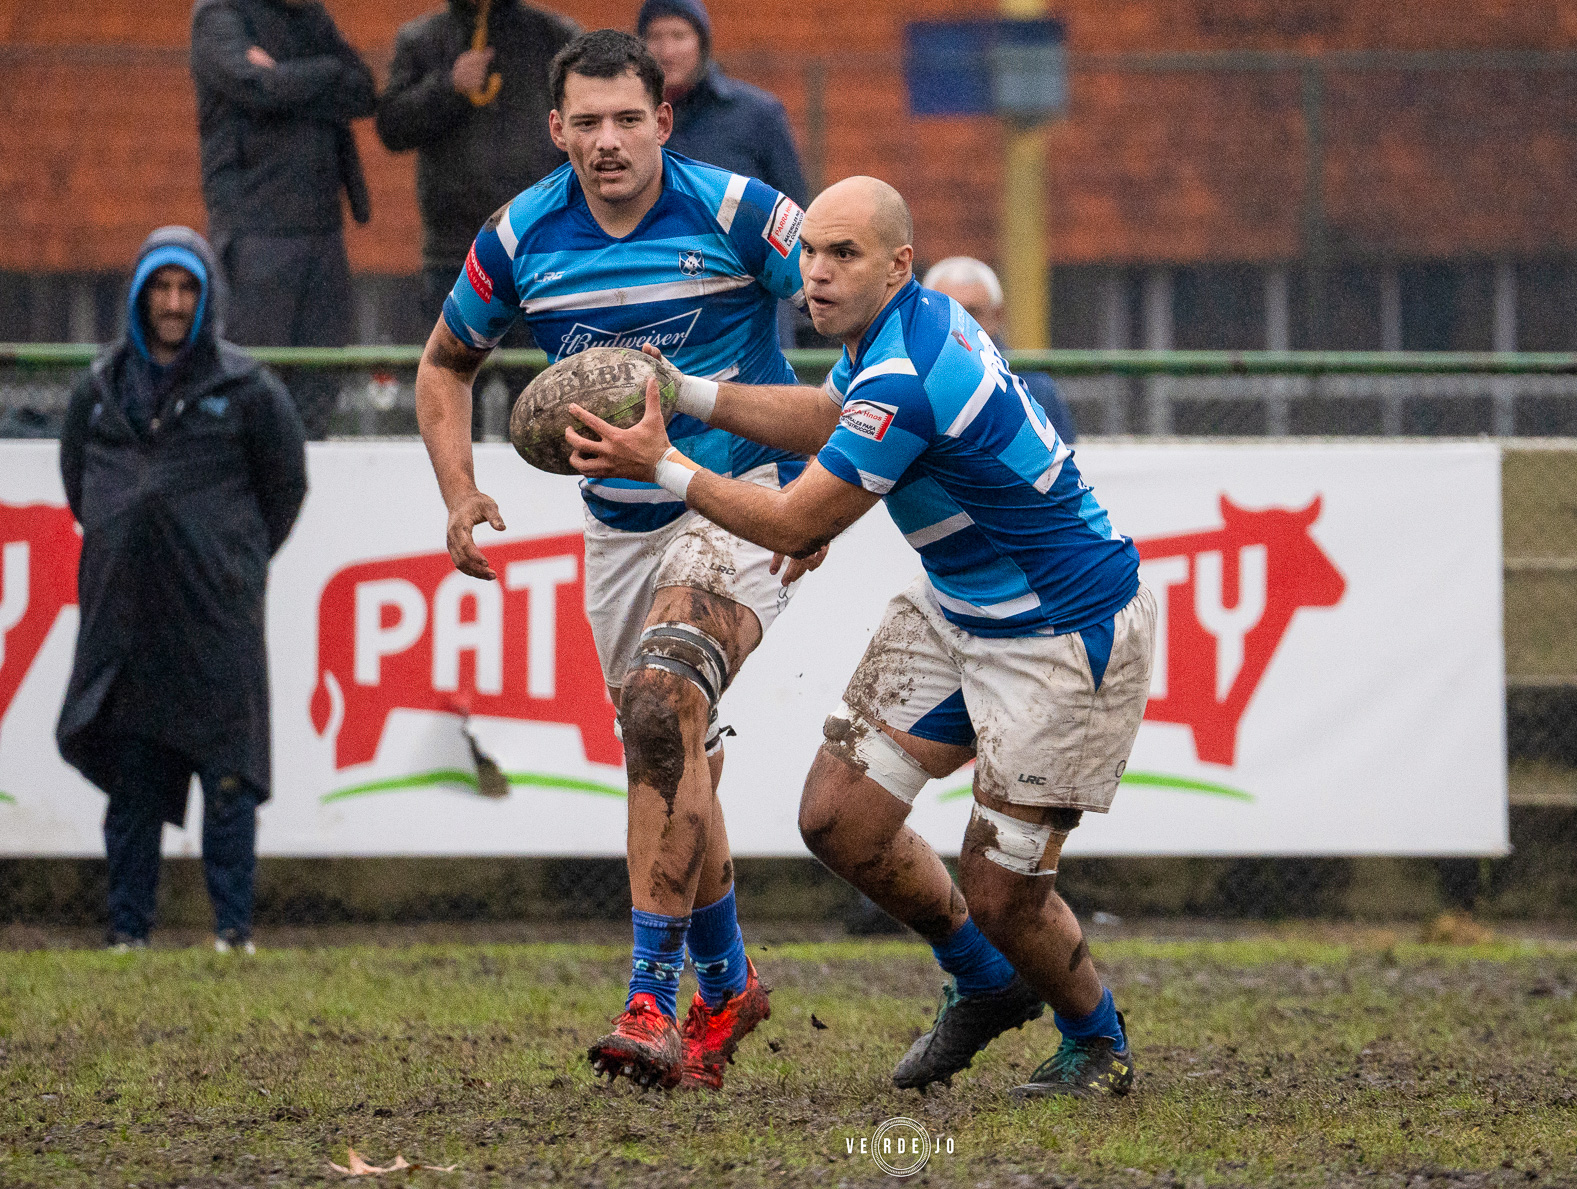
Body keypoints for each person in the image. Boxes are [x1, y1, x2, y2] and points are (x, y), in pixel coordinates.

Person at [566, 177, 1155, 1099]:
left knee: (1003, 891)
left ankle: (1097, 1038)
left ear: (898, 264)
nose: (817, 274)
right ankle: (986, 979)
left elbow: (795, 521)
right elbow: (829, 417)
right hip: (962, 607)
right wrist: (688, 391)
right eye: (810, 254)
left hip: (1062, 632)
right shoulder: (896, 333)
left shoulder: (906, 372)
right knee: (838, 817)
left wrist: (665, 463)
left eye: (844, 255)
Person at [414, 29, 814, 1091]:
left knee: (660, 701)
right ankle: (729, 984)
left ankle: (651, 998)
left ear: (664, 121)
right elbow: (445, 365)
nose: (607, 140)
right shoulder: (518, 236)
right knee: (669, 751)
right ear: (556, 131)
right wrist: (460, 494)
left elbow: (855, 305)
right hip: (617, 529)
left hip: (739, 499)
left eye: (627, 118)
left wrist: (837, 487)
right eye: (585, 122)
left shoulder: (735, 211)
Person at [55, 226, 309, 954]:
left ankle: (233, 933)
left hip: (217, 625)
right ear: (139, 296)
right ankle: (127, 933)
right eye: (160, 288)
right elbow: (82, 488)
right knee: (132, 788)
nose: (172, 303)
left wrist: (234, 563)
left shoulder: (249, 390)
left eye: (187, 288)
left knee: (228, 784)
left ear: (207, 299)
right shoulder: (97, 392)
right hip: (128, 624)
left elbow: (284, 489)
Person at [375, 0, 580, 430]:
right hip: (453, 254)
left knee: (543, 404)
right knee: (450, 392)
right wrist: (448, 86)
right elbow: (391, 126)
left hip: (540, 249)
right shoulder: (421, 39)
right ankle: (456, 494)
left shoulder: (555, 37)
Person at [190, 0, 377, 440]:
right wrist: (326, 74)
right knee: (252, 383)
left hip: (324, 232)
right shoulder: (220, 16)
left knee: (320, 382)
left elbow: (363, 91)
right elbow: (257, 87)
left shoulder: (311, 16)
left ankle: (306, 482)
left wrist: (289, 78)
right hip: (256, 232)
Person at [638, 0, 809, 203]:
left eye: (679, 36)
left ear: (702, 43)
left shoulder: (758, 114)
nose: (667, 52)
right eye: (655, 37)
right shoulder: (627, 116)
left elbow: (792, 208)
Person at [923, 255, 1077, 443]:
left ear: (997, 315)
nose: (958, 325)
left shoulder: (1033, 387)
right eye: (947, 312)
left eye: (971, 313)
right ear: (925, 316)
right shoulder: (905, 379)